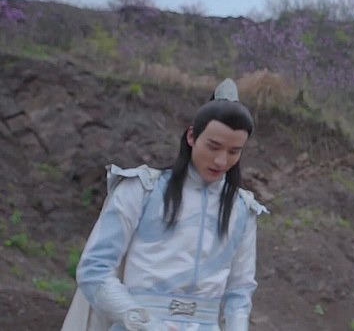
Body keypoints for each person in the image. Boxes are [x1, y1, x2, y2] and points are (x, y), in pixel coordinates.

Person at [63, 78, 268, 331]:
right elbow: (95, 269)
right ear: (192, 136)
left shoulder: (242, 209)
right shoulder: (142, 189)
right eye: (213, 146)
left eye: (234, 151)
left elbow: (239, 291)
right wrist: (146, 323)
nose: (221, 160)